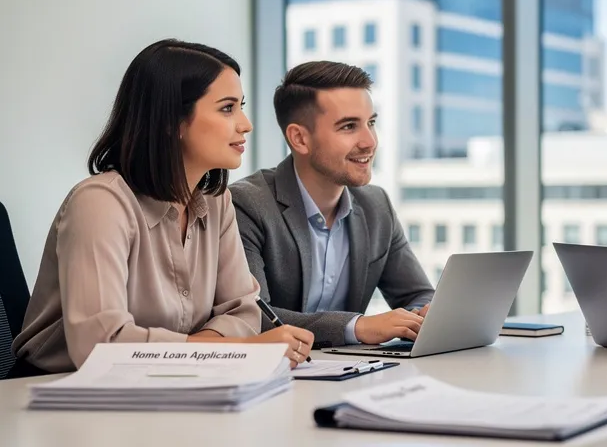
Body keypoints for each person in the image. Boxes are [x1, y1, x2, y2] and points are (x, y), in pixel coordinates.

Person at [11, 39, 314, 377]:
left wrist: (201, 353)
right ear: (172, 120)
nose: (245, 124)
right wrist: (230, 351)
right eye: (227, 108)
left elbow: (243, 311)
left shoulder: (217, 202)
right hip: (55, 389)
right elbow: (101, 345)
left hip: (167, 382)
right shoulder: (99, 204)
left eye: (239, 106)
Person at [230, 61, 434, 348]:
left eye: (371, 123)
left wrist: (422, 315)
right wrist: (357, 327)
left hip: (354, 369)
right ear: (300, 138)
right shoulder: (246, 204)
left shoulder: (376, 205)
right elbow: (253, 316)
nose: (370, 142)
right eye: (349, 126)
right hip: (280, 370)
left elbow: (419, 295)